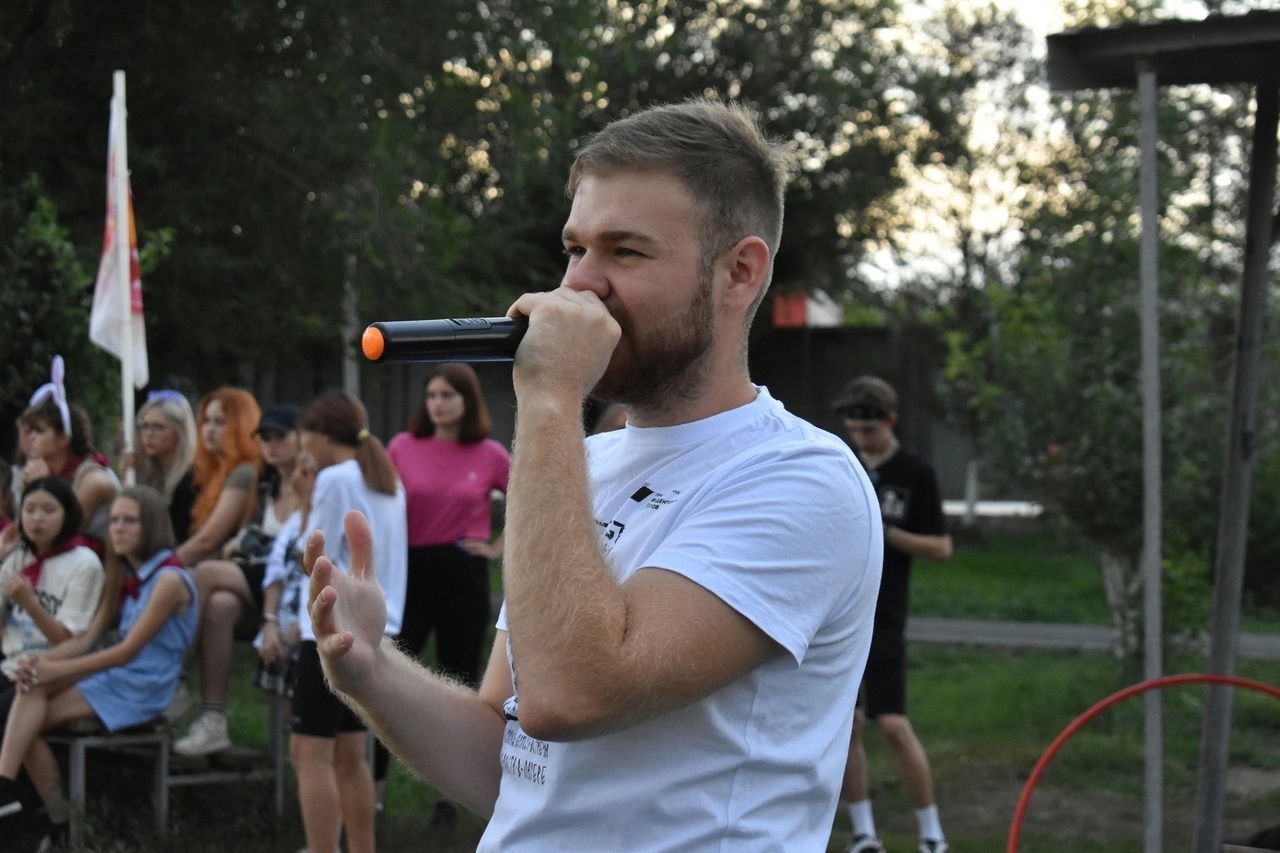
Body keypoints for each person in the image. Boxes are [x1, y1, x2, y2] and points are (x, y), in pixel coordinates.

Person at [303, 97, 882, 851]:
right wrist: (372, 671)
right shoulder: (582, 465)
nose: (578, 285)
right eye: (575, 249)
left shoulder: (801, 480)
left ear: (739, 272)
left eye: (625, 252)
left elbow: (570, 696)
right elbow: (510, 762)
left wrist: (550, 398)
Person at [0, 486, 196, 848]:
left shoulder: (168, 579)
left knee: (28, 714)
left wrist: (57, 671)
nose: (117, 528)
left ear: (152, 526)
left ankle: (27, 803)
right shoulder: (121, 571)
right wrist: (40, 663)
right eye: (115, 520)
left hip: (144, 684)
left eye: (129, 521)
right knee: (29, 698)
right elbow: (88, 639)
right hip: (116, 674)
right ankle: (46, 814)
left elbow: (126, 652)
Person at [830, 376, 953, 853]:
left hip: (885, 615)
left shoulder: (915, 473)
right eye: (854, 430)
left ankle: (932, 836)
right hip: (841, 614)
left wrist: (888, 533)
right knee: (849, 725)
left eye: (870, 431)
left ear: (891, 422)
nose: (861, 440)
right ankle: (865, 833)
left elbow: (941, 547)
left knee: (894, 725)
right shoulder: (841, 466)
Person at [386, 363, 509, 822]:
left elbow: (533, 495)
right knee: (392, 672)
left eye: (447, 395)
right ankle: (374, 788)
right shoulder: (402, 446)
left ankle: (450, 799)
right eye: (432, 395)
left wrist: (497, 547)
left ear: (467, 401)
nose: (437, 404)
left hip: (463, 574)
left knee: (460, 680)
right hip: (409, 571)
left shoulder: (490, 453)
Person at [293, 390, 406, 853]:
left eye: (306, 435)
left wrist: (304, 500)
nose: (304, 446)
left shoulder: (334, 479)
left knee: (309, 753)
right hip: (380, 629)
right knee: (350, 753)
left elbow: (310, 554)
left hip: (329, 629)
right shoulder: (387, 478)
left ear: (321, 434)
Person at [175, 403, 301, 756]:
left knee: (204, 573)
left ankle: (174, 682)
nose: (271, 444)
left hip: (291, 588)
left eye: (280, 437)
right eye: (266, 437)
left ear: (302, 439)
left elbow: (293, 549)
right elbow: (250, 534)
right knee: (220, 605)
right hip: (261, 579)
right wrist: (244, 538)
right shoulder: (265, 484)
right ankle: (214, 719)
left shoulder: (314, 484)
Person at [0, 478, 106, 732]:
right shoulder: (18, 556)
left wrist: (30, 604)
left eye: (49, 510)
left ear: (68, 514)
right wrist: (1, 557)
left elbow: (66, 641)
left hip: (53, 670)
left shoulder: (84, 564)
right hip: (9, 663)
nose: (37, 518)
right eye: (29, 509)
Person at [20, 356, 120, 552]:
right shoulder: (44, 470)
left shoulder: (93, 481)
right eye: (29, 431)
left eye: (39, 431)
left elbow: (57, 534)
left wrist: (42, 487)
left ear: (63, 439)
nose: (30, 438)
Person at [175, 387, 262, 567]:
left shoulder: (244, 472)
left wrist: (159, 569)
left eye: (220, 422)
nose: (209, 429)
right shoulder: (208, 472)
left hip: (222, 570)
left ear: (241, 426)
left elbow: (207, 541)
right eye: (207, 420)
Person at [121, 390, 199, 541]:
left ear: (182, 429)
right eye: (144, 426)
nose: (149, 434)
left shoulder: (191, 479)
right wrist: (127, 478)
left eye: (159, 427)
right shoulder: (149, 474)